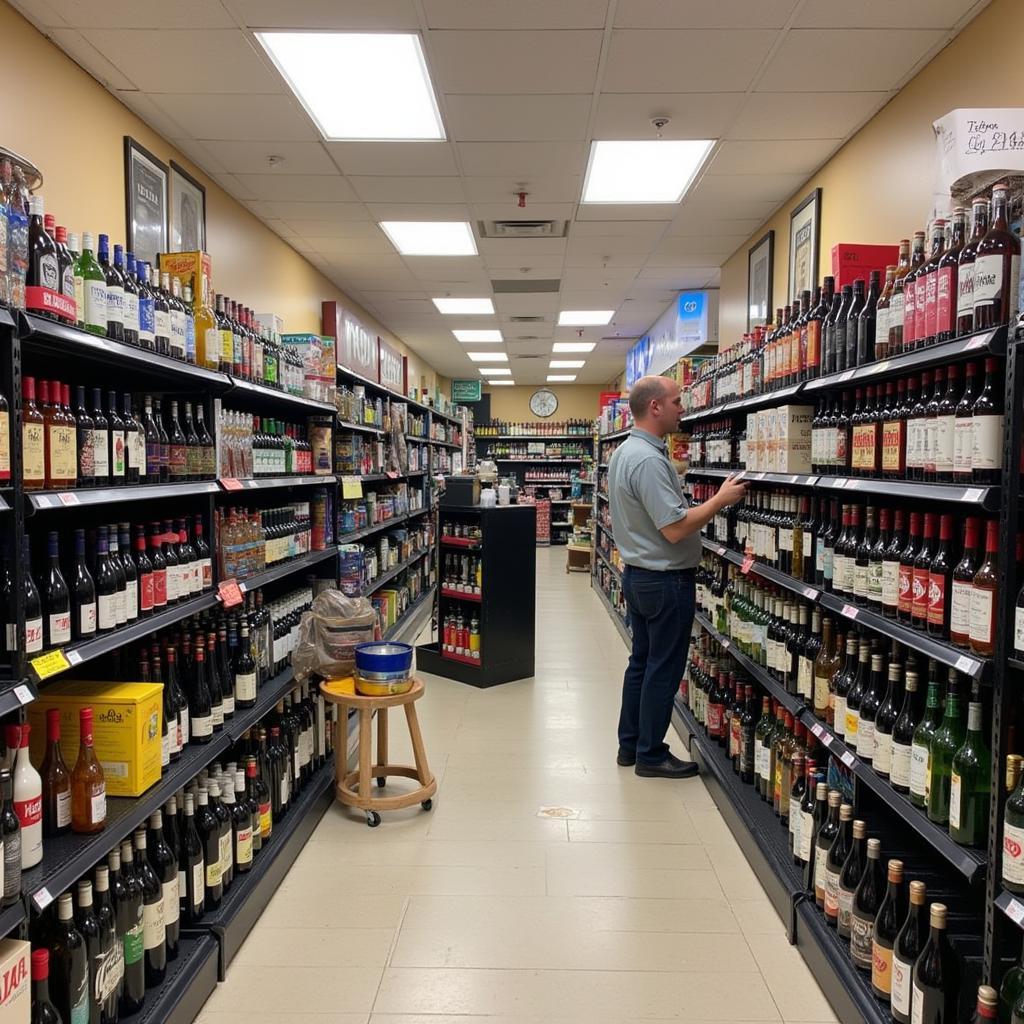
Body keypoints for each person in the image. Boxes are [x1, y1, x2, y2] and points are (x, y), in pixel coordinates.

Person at [609, 376, 747, 779]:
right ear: (654, 406)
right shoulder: (650, 460)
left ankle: (629, 746)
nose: (682, 408)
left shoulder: (625, 452)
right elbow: (673, 528)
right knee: (662, 669)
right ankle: (651, 755)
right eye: (676, 401)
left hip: (639, 575)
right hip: (664, 580)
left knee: (641, 664)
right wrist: (719, 500)